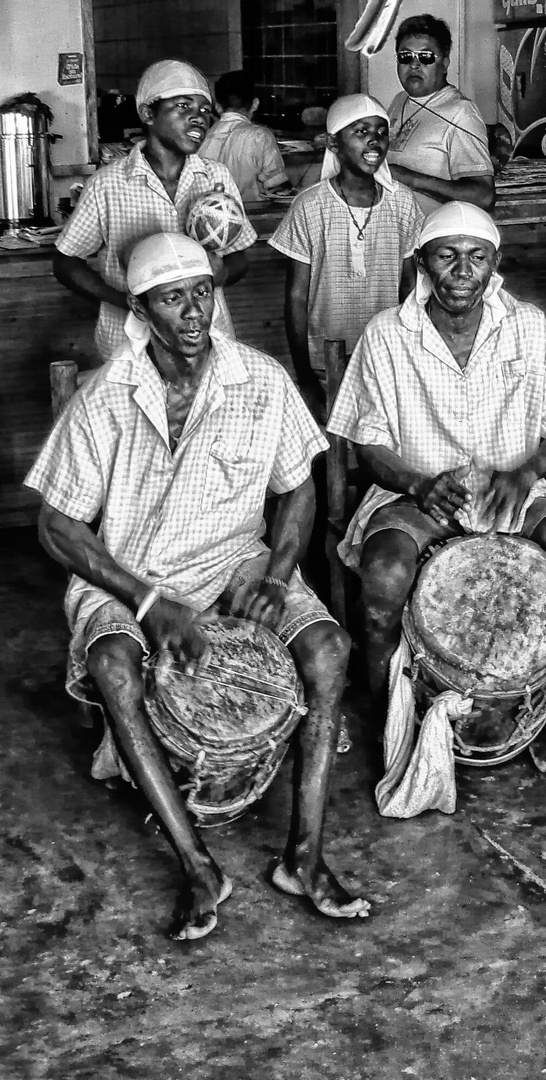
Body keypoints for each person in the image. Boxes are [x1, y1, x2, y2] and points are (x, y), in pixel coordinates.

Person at [25, 233, 368, 940]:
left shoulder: (259, 379)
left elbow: (298, 488)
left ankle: (304, 856)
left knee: (330, 650)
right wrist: (149, 604)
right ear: (141, 308)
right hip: (134, 571)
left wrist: (276, 574)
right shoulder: (106, 397)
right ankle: (197, 863)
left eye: (202, 293)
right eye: (173, 298)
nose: (193, 311)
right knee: (113, 665)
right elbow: (57, 526)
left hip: (234, 557)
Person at [325, 201, 546, 776]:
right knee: (383, 580)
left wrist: (528, 470)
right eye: (447, 256)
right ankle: (392, 719)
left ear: (495, 265)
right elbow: (369, 445)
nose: (462, 271)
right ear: (422, 264)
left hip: (512, 492)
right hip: (417, 495)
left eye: (476, 257)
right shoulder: (387, 335)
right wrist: (417, 482)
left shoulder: (526, 326)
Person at [54, 59, 256, 364]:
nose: (198, 118)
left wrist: (220, 274)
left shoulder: (216, 177)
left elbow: (239, 257)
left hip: (205, 338)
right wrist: (127, 301)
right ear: (148, 113)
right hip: (130, 345)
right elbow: (66, 263)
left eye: (204, 110)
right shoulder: (108, 184)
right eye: (183, 106)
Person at [269, 94, 424, 422]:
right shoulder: (310, 206)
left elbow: (410, 287)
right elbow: (296, 297)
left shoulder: (403, 204)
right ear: (333, 143)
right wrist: (305, 377)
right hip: (324, 362)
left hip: (387, 357)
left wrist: (412, 352)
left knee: (382, 446)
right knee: (332, 449)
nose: (374, 140)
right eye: (361, 131)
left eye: (382, 132)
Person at [386, 14, 495, 215]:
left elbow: (483, 196)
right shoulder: (399, 101)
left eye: (426, 57)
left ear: (445, 63)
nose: (414, 65)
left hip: (432, 237)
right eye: (405, 57)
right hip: (394, 234)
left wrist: (409, 178)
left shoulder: (460, 112)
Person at [199, 69, 292, 203]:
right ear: (255, 104)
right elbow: (277, 188)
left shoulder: (201, 136)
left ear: (218, 107)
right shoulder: (260, 136)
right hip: (251, 218)